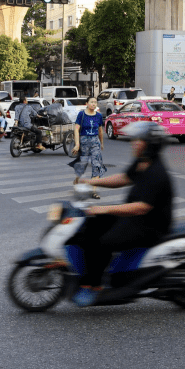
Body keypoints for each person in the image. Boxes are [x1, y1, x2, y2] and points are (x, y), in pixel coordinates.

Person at [72, 122, 174, 306]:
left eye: (139, 141)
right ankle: (87, 277)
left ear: (150, 145)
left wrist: (105, 208)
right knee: (91, 225)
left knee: (104, 242)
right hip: (134, 216)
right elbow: (124, 178)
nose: (133, 143)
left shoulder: (157, 172)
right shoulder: (142, 162)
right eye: (135, 140)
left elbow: (142, 207)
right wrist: (92, 182)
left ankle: (95, 287)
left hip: (150, 225)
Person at [71, 96, 105, 198]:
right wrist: (77, 144)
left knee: (96, 165)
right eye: (92, 102)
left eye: (95, 102)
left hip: (95, 142)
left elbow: (100, 131)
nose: (94, 104)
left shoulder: (98, 116)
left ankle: (93, 191)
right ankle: (77, 180)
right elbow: (76, 129)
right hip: (83, 142)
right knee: (82, 165)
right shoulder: (81, 114)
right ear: (87, 103)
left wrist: (101, 143)